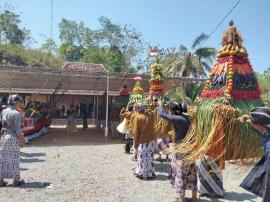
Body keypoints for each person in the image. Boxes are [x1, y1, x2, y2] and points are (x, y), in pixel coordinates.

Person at [158, 100, 196, 202]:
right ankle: (194, 196)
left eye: (170, 110)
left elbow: (162, 114)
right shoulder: (187, 118)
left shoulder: (178, 119)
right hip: (190, 151)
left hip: (181, 152)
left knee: (180, 174)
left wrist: (160, 105)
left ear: (172, 111)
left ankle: (181, 199)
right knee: (192, 173)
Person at [239, 107, 270, 202]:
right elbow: (259, 131)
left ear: (260, 125)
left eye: (253, 123)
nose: (252, 124)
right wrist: (248, 118)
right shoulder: (267, 132)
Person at [0, 94, 25, 187]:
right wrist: (22, 140)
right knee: (14, 159)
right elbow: (18, 129)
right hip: (12, 137)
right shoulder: (16, 113)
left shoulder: (3, 111)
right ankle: (15, 181)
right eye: (19, 102)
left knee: (2, 159)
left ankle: (1, 180)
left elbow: (3, 124)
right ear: (17, 102)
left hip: (3, 136)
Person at [132, 103, 156, 180]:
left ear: (137, 109)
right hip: (151, 140)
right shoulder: (151, 116)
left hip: (142, 140)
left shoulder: (138, 117)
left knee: (142, 158)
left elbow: (136, 132)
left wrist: (135, 144)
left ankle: (143, 174)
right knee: (150, 157)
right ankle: (150, 173)